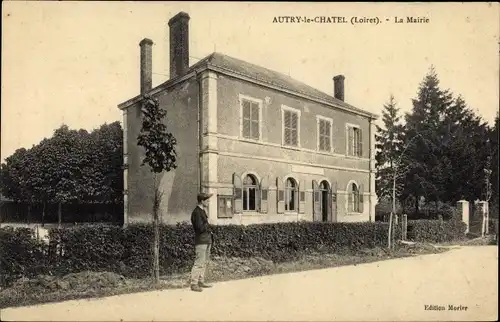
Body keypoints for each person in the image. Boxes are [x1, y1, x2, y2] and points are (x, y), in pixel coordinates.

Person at [190, 192, 214, 292]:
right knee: (199, 262)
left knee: (204, 262)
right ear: (202, 201)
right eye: (207, 200)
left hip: (206, 239)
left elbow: (204, 226)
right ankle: (194, 283)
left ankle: (201, 281)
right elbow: (199, 228)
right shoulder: (196, 212)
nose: (208, 202)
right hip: (201, 241)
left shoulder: (202, 211)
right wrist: (208, 225)